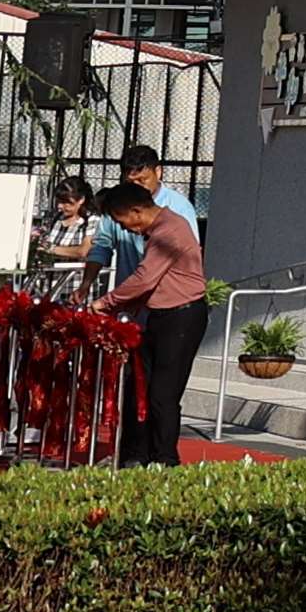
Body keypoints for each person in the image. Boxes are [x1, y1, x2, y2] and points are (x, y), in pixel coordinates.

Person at [93, 183, 207, 467]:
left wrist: (105, 303)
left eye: (122, 222)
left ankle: (165, 459)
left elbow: (145, 278)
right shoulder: (157, 230)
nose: (125, 228)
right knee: (139, 388)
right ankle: (136, 455)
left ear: (136, 211)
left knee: (162, 394)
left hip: (182, 317)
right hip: (159, 316)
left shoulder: (169, 231)